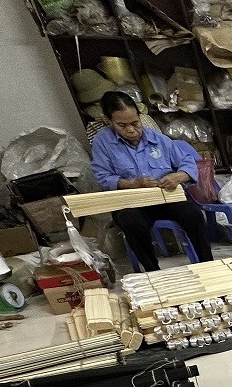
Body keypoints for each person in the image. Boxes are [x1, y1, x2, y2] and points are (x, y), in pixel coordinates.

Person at [90, 91, 214, 272]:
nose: (131, 130)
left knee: (193, 214)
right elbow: (102, 177)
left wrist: (178, 176)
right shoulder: (103, 142)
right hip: (132, 203)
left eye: (135, 123)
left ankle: (208, 265)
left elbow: (188, 162)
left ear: (140, 117)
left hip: (164, 198)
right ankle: (153, 272)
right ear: (110, 121)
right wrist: (133, 184)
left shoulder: (157, 139)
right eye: (122, 125)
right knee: (130, 221)